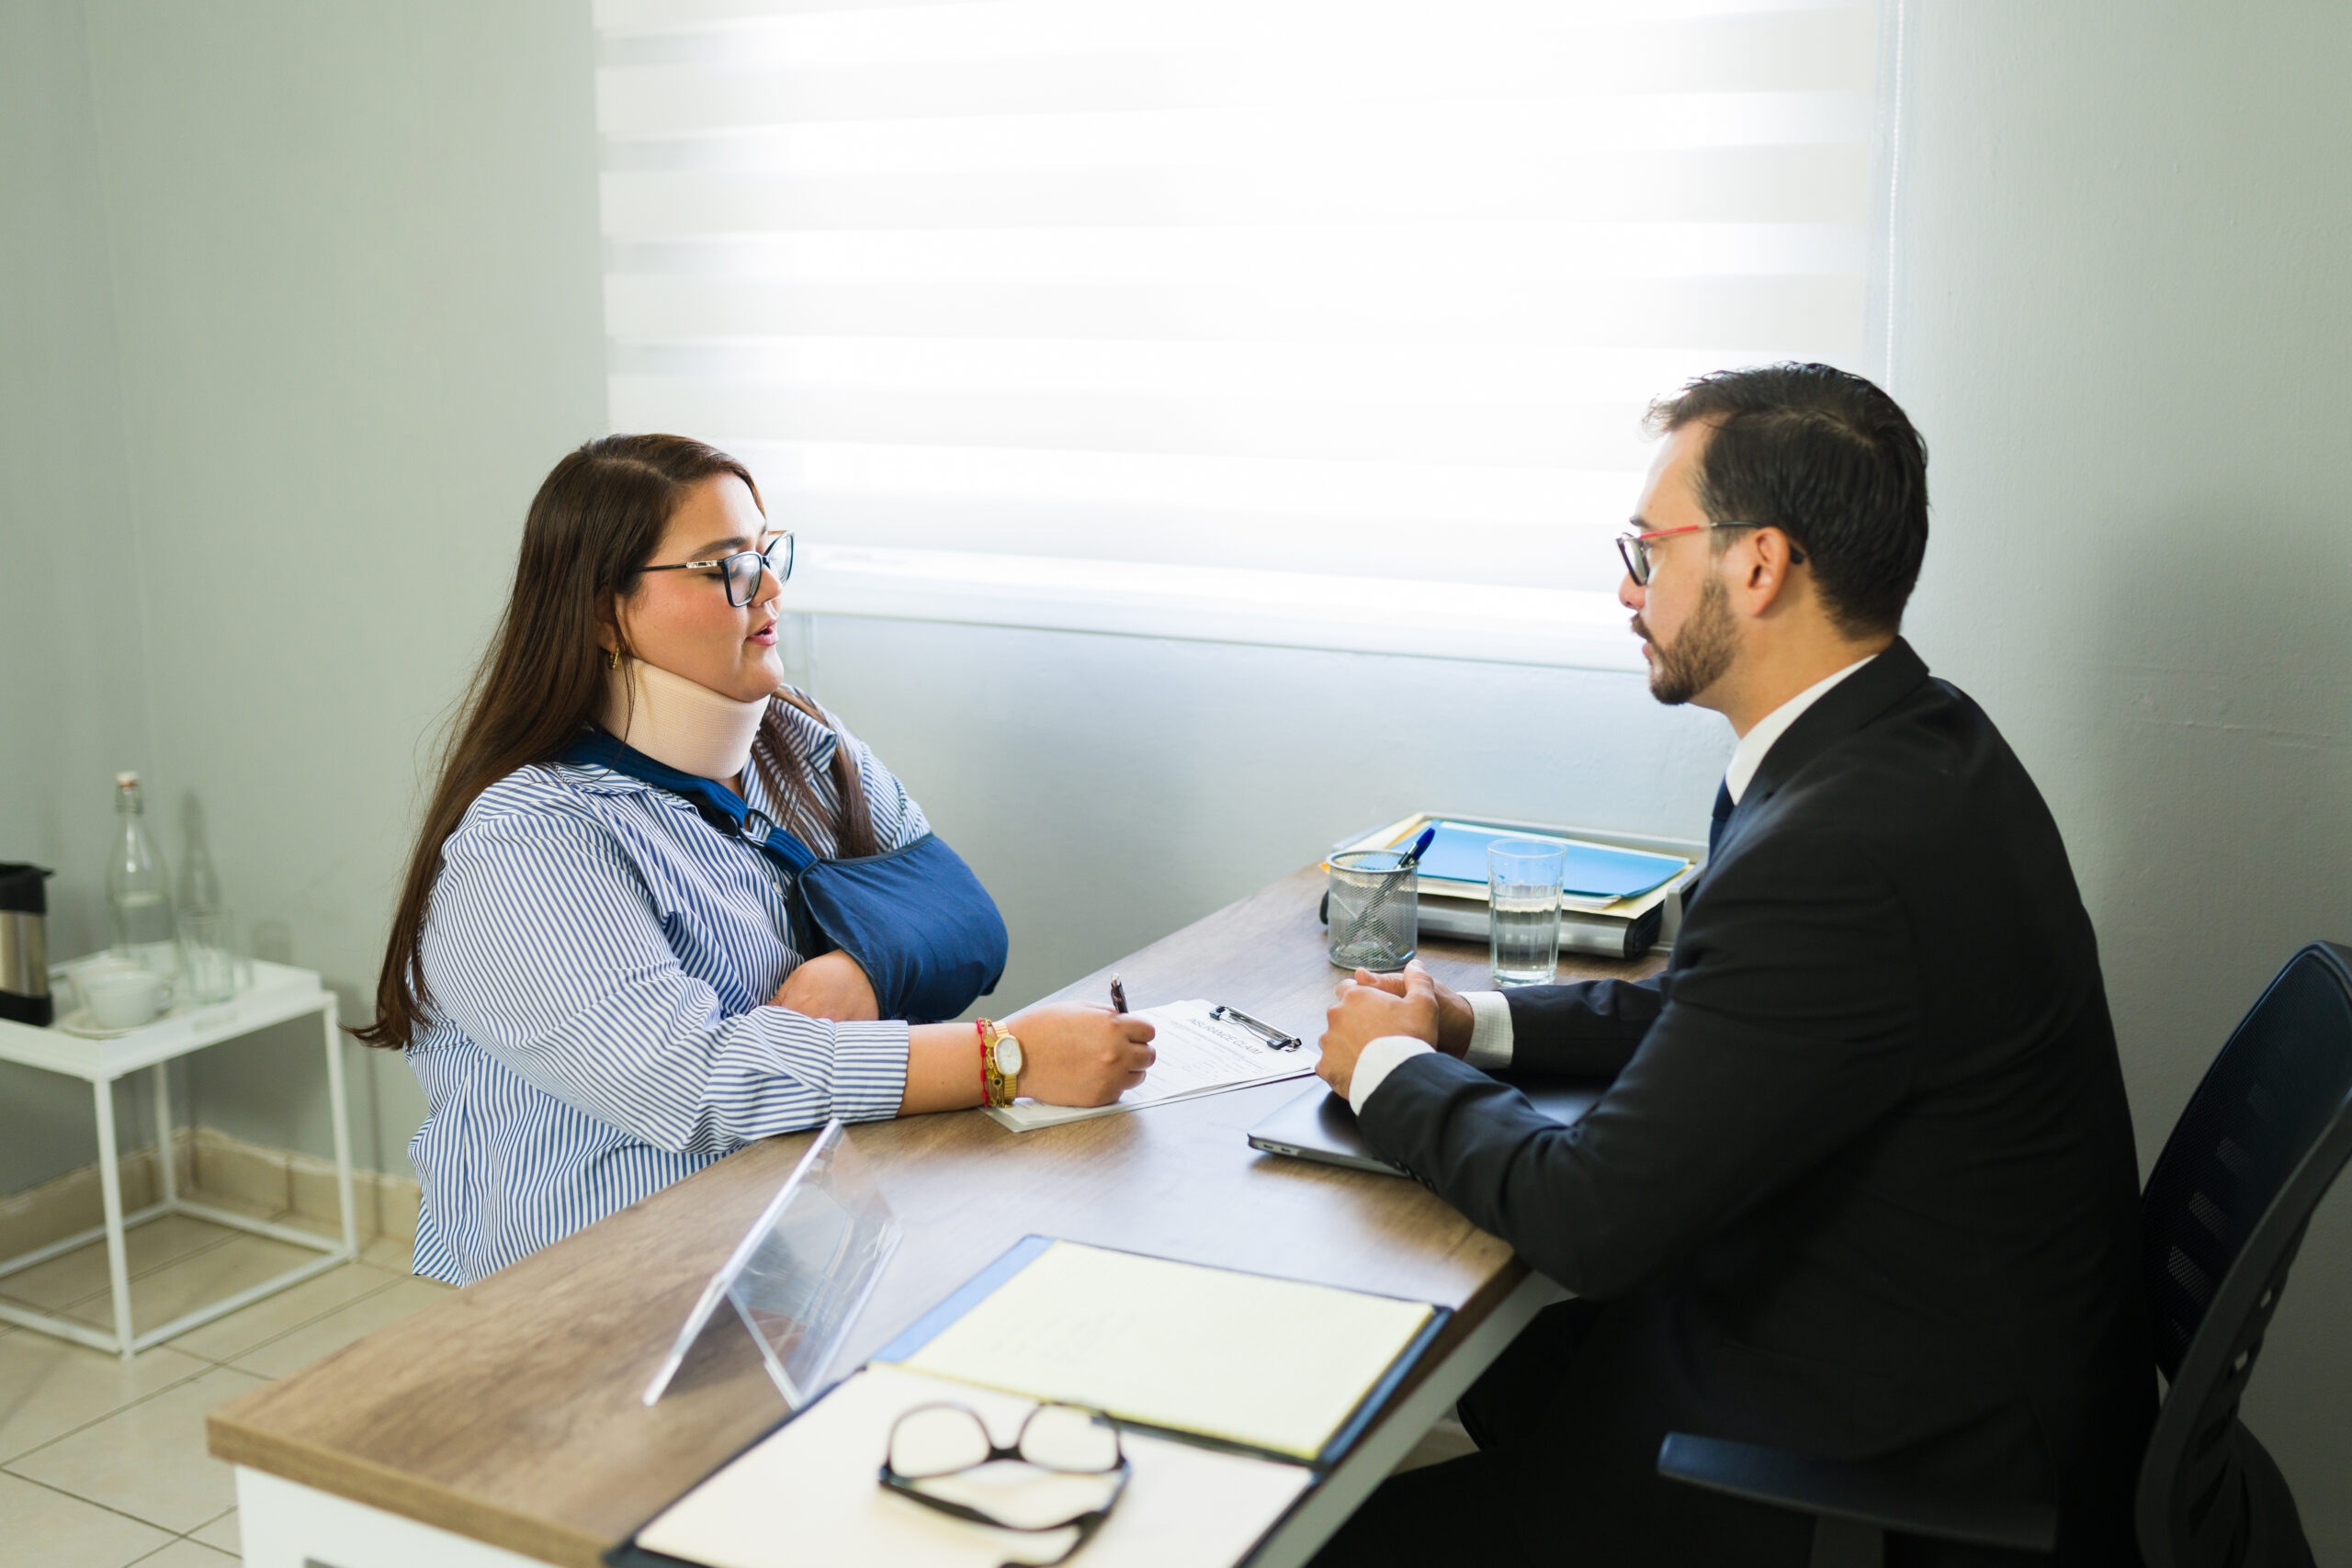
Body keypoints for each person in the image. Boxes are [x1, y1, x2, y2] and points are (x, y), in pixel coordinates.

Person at [1310, 366, 2153, 1566]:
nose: (1625, 584)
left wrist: (1386, 1066)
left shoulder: (1842, 844)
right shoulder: (1906, 737)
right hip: (1906, 1344)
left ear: (1758, 565)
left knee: (1308, 1534)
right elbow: (1721, 1012)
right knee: (1482, 1380)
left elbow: (1593, 1218)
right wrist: (1466, 1020)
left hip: (1881, 1455)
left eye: (1646, 549)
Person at [357, 434, 1154, 1286]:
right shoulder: (529, 841)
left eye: (767, 552)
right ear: (601, 613)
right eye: (724, 566)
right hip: (584, 1285)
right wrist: (1006, 1060)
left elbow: (966, 920)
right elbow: (693, 1082)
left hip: (790, 1245)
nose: (769, 586)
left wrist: (861, 971)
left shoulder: (793, 738)